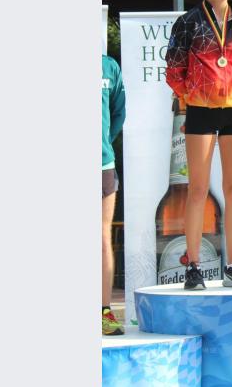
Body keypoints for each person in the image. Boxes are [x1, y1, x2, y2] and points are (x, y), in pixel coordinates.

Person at [165, 0, 232, 290]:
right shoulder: (188, 22)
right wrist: (196, 96)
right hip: (201, 110)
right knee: (198, 189)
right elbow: (173, 70)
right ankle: (193, 268)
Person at [102, 54, 126, 335]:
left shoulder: (109, 66)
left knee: (102, 237)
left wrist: (105, 143)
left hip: (102, 164)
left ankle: (104, 312)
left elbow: (119, 111)